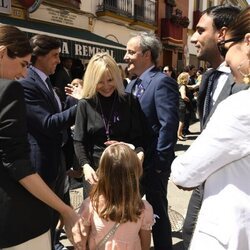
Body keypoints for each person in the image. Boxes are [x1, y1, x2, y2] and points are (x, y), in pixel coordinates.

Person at [171, 6, 250, 249]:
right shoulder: (210, 79)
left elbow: (184, 173)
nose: (226, 58)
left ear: (248, 42)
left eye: (228, 48)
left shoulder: (240, 106)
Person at [0, 25, 84, 250]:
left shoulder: (45, 84)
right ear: (2, 53)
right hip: (14, 219)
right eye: (22, 64)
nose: (24, 73)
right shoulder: (10, 90)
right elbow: (16, 162)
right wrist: (67, 211)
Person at [18, 34, 78, 249]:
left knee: (51, 218)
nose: (59, 60)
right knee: (41, 219)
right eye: (54, 55)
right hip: (40, 164)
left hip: (55, 161)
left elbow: (57, 112)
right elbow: (47, 123)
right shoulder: (27, 83)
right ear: (38, 57)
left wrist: (72, 100)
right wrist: (82, 104)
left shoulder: (44, 81)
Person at [124, 32, 179, 250]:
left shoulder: (162, 82)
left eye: (131, 52)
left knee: (157, 213)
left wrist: (159, 164)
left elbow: (168, 125)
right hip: (132, 163)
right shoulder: (131, 85)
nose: (126, 56)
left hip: (153, 164)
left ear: (146, 54)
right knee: (130, 211)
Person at [73, 52, 147, 188]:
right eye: (100, 82)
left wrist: (139, 152)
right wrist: (85, 166)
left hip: (124, 170)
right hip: (95, 172)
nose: (106, 86)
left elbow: (139, 137)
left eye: (110, 80)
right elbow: (79, 140)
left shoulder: (129, 101)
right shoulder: (85, 103)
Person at [79, 143, 154, 249]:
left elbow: (81, 241)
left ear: (101, 173)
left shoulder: (90, 205)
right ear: (136, 174)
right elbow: (145, 244)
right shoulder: (144, 209)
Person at [177, 72, 190, 141]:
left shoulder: (181, 85)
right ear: (185, 78)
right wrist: (189, 100)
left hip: (180, 105)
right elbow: (183, 96)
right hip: (182, 105)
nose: (189, 78)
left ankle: (180, 134)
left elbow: (192, 87)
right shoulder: (182, 86)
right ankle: (179, 135)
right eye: (188, 77)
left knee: (182, 120)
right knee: (181, 121)